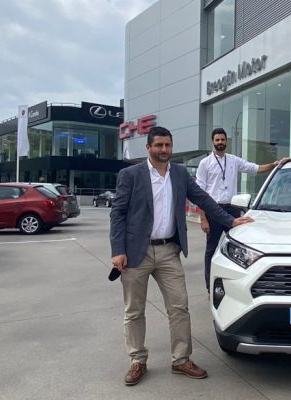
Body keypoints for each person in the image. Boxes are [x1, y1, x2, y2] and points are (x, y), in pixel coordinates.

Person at [110, 126, 253, 386]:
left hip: (168, 251)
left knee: (179, 307)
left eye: (167, 145)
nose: (164, 150)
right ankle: (137, 360)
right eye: (159, 146)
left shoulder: (179, 174)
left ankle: (181, 360)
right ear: (149, 148)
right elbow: (118, 213)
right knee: (134, 310)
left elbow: (204, 199)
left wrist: (230, 221)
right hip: (135, 253)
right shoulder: (130, 175)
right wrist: (117, 250)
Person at [195, 127, 288, 292]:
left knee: (240, 248)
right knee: (211, 249)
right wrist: (202, 217)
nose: (220, 142)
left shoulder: (233, 160)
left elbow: (255, 168)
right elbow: (199, 193)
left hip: (232, 209)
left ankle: (239, 286)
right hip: (213, 211)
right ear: (212, 142)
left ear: (226, 141)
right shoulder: (205, 163)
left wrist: (275, 164)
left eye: (222, 140)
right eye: (217, 140)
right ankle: (210, 288)